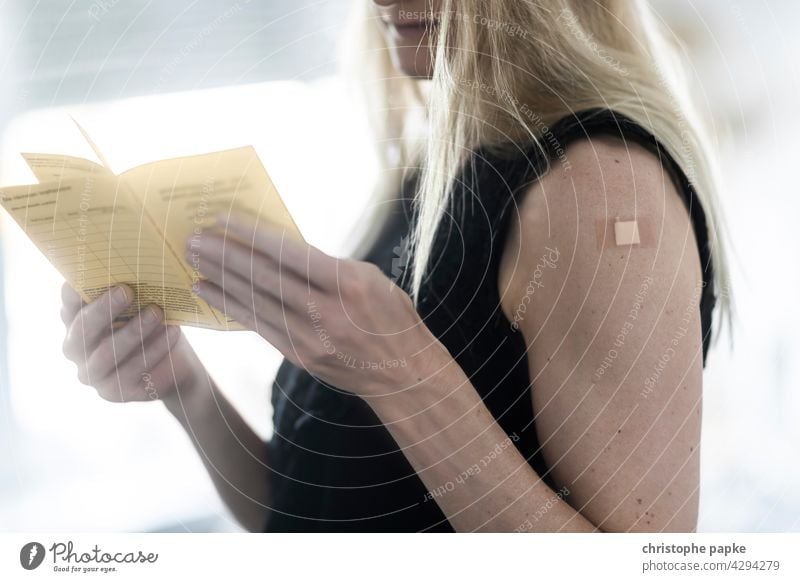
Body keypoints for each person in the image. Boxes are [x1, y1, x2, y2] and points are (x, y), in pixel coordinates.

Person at [60, 0, 729, 532]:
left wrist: (404, 376)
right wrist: (186, 389)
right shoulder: (428, 171)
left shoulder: (600, 189)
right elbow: (303, 515)